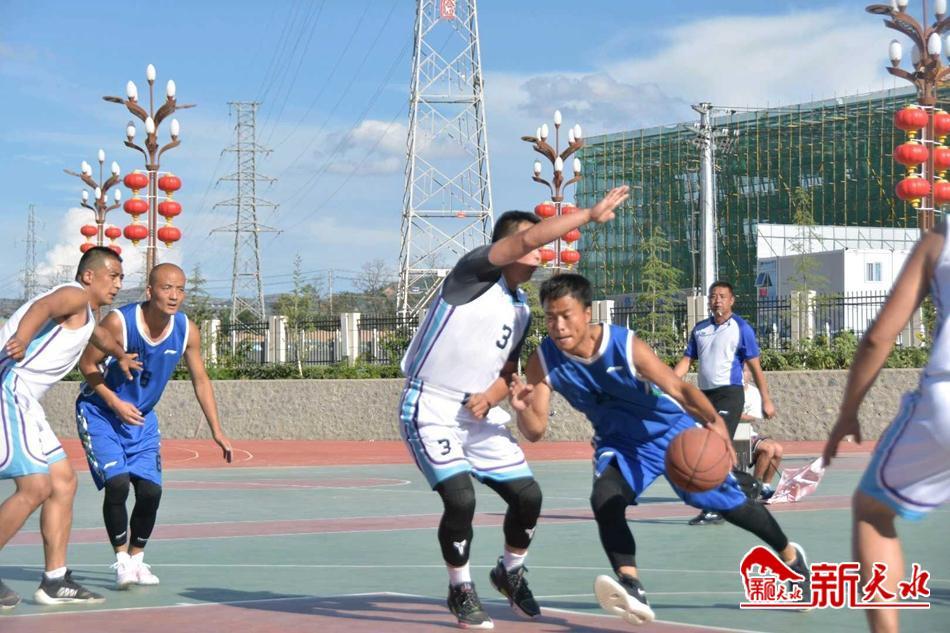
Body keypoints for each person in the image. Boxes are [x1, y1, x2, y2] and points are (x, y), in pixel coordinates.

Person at [509, 273, 810, 624]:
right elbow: (535, 431)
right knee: (605, 499)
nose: (558, 326)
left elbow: (678, 388)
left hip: (671, 433)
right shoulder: (543, 361)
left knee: (729, 506)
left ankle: (792, 559)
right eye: (550, 317)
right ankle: (631, 585)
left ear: (587, 313)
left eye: (566, 315)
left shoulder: (623, 344)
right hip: (619, 444)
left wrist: (715, 424)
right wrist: (522, 410)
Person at [399, 186, 629, 629]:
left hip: (476, 414)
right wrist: (587, 214)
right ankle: (460, 588)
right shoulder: (473, 274)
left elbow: (507, 372)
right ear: (506, 247)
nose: (541, 249)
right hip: (430, 405)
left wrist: (492, 396)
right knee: (460, 499)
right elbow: (527, 238)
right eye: (535, 241)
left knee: (528, 496)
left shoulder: (521, 309)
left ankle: (510, 571)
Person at [824, 221, 950, 633]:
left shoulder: (941, 237)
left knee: (872, 509)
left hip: (946, 401)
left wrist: (848, 412)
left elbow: (879, 337)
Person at [75, 263, 233, 589]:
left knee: (150, 491)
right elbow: (86, 364)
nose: (174, 295)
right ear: (150, 291)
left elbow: (200, 380)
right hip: (101, 412)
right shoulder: (120, 322)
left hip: (142, 418)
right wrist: (115, 403)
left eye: (180, 289)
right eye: (166, 288)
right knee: (118, 483)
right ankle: (121, 560)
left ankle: (137, 560)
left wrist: (216, 430)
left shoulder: (186, 330)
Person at [0, 247, 140, 608]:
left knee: (62, 481)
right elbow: (42, 307)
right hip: (9, 387)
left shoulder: (88, 316)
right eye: (113, 276)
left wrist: (121, 355)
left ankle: (55, 580)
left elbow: (100, 337)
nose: (118, 284)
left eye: (122, 278)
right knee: (35, 486)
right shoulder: (74, 294)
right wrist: (23, 338)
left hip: (26, 399)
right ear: (89, 276)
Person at [673, 281, 776, 525]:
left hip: (730, 394)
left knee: (713, 447)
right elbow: (686, 361)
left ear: (731, 300)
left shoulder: (741, 328)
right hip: (705, 397)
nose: (717, 300)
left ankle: (714, 507)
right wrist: (664, 383)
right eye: (713, 296)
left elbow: (755, 367)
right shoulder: (700, 329)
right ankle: (747, 484)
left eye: (722, 296)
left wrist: (766, 399)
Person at [741, 364, 784, 500]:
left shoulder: (754, 392)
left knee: (778, 449)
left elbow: (752, 417)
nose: (742, 374)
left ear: (750, 374)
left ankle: (764, 486)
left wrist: (739, 415)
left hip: (746, 432)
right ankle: (753, 486)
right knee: (767, 449)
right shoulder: (729, 392)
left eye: (745, 371)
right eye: (739, 371)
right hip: (732, 434)